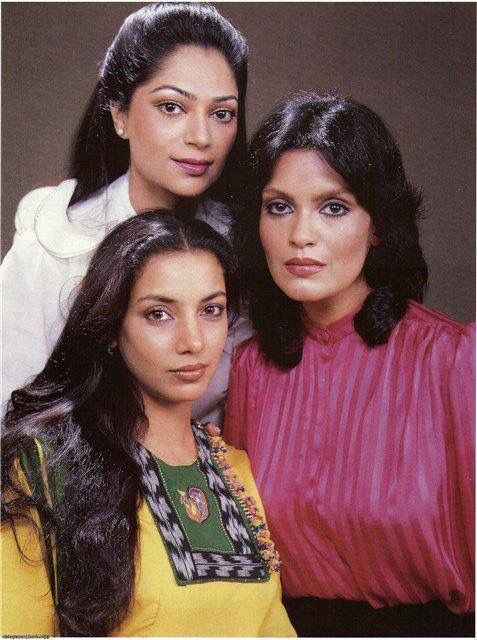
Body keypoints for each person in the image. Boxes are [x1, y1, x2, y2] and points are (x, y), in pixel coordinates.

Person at [224, 92, 475, 637]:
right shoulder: (250, 369)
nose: (300, 235)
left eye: (333, 207)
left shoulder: (455, 360)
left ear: (378, 224)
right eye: (279, 206)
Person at [1, 211, 295, 637]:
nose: (193, 341)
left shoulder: (234, 469)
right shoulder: (45, 467)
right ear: (109, 328)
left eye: (211, 310)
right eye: (159, 314)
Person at [1, 2, 251, 424]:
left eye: (222, 113)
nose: (201, 137)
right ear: (119, 114)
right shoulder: (55, 244)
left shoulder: (248, 245)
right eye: (172, 107)